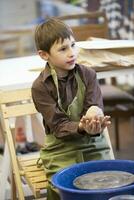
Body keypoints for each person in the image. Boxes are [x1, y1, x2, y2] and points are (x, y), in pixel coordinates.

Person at [32, 18, 111, 200]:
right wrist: (82, 127)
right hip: (60, 150)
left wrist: (95, 119)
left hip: (93, 144)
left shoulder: (88, 75)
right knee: (65, 188)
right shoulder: (40, 87)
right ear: (44, 55)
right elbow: (59, 126)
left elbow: (94, 106)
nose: (71, 53)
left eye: (73, 45)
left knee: (107, 183)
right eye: (63, 49)